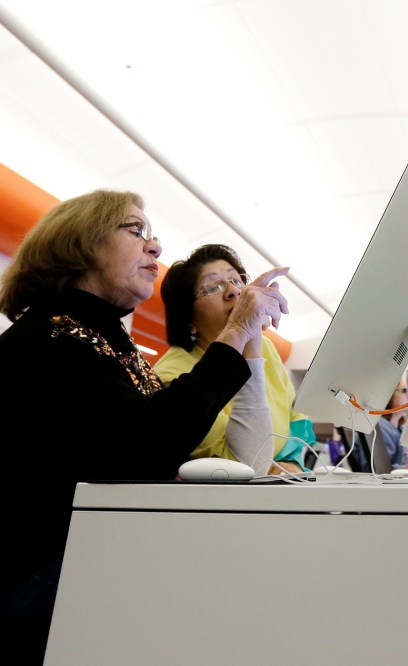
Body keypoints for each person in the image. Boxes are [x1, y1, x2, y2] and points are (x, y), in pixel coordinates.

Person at [0, 189, 288, 662]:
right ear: (79, 243)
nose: (155, 247)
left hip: (85, 553)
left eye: (153, 235)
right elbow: (146, 443)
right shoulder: (50, 337)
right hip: (38, 573)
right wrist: (237, 333)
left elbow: (143, 447)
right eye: (136, 231)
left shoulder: (108, 339)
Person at [155, 244, 315, 476]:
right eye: (213, 287)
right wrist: (248, 341)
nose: (233, 291)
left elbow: (296, 417)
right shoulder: (174, 375)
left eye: (237, 280)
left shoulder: (267, 347)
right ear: (188, 319)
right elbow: (243, 465)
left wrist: (290, 462)